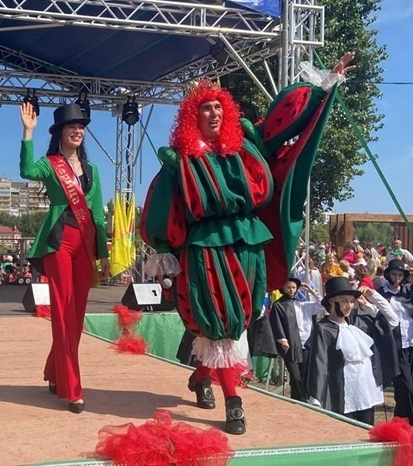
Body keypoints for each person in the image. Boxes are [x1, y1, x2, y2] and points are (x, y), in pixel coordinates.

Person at [140, 52, 355, 434]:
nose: (214, 114)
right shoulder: (180, 161)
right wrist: (165, 253)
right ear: (192, 117)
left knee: (235, 323)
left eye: (218, 107)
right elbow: (162, 211)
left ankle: (201, 377)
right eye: (205, 108)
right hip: (205, 249)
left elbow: (283, 121)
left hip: (248, 245)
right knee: (221, 325)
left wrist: (323, 87)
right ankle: (234, 403)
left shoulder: (245, 144)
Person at [19, 101, 110, 414]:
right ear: (60, 132)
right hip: (59, 243)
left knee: (77, 317)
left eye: (81, 127)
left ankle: (54, 371)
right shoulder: (50, 164)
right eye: (72, 126)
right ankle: (73, 389)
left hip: (85, 245)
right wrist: (27, 133)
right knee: (62, 312)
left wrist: (103, 253)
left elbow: (98, 215)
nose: (78, 131)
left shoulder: (93, 170)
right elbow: (26, 170)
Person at [306, 277, 394, 425]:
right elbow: (319, 363)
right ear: (332, 301)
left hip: (366, 393)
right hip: (344, 397)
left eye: (352, 301)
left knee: (366, 432)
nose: (349, 306)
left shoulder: (359, 324)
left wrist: (372, 300)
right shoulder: (324, 329)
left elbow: (391, 321)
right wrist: (316, 397)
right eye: (344, 301)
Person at [377, 259, 413, 429]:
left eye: (400, 274)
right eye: (394, 274)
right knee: (406, 386)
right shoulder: (381, 293)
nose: (396, 277)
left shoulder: (410, 290)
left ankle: (401, 422)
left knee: (411, 388)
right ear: (388, 274)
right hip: (395, 345)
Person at [269, 278, 321, 401]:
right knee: (295, 375)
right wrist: (283, 339)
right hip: (291, 344)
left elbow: (323, 304)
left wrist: (311, 291)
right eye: (288, 287)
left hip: (306, 344)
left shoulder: (304, 305)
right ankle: (298, 399)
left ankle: (301, 399)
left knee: (304, 374)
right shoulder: (279, 305)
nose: (291, 290)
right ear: (283, 288)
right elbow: (276, 323)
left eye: (293, 287)